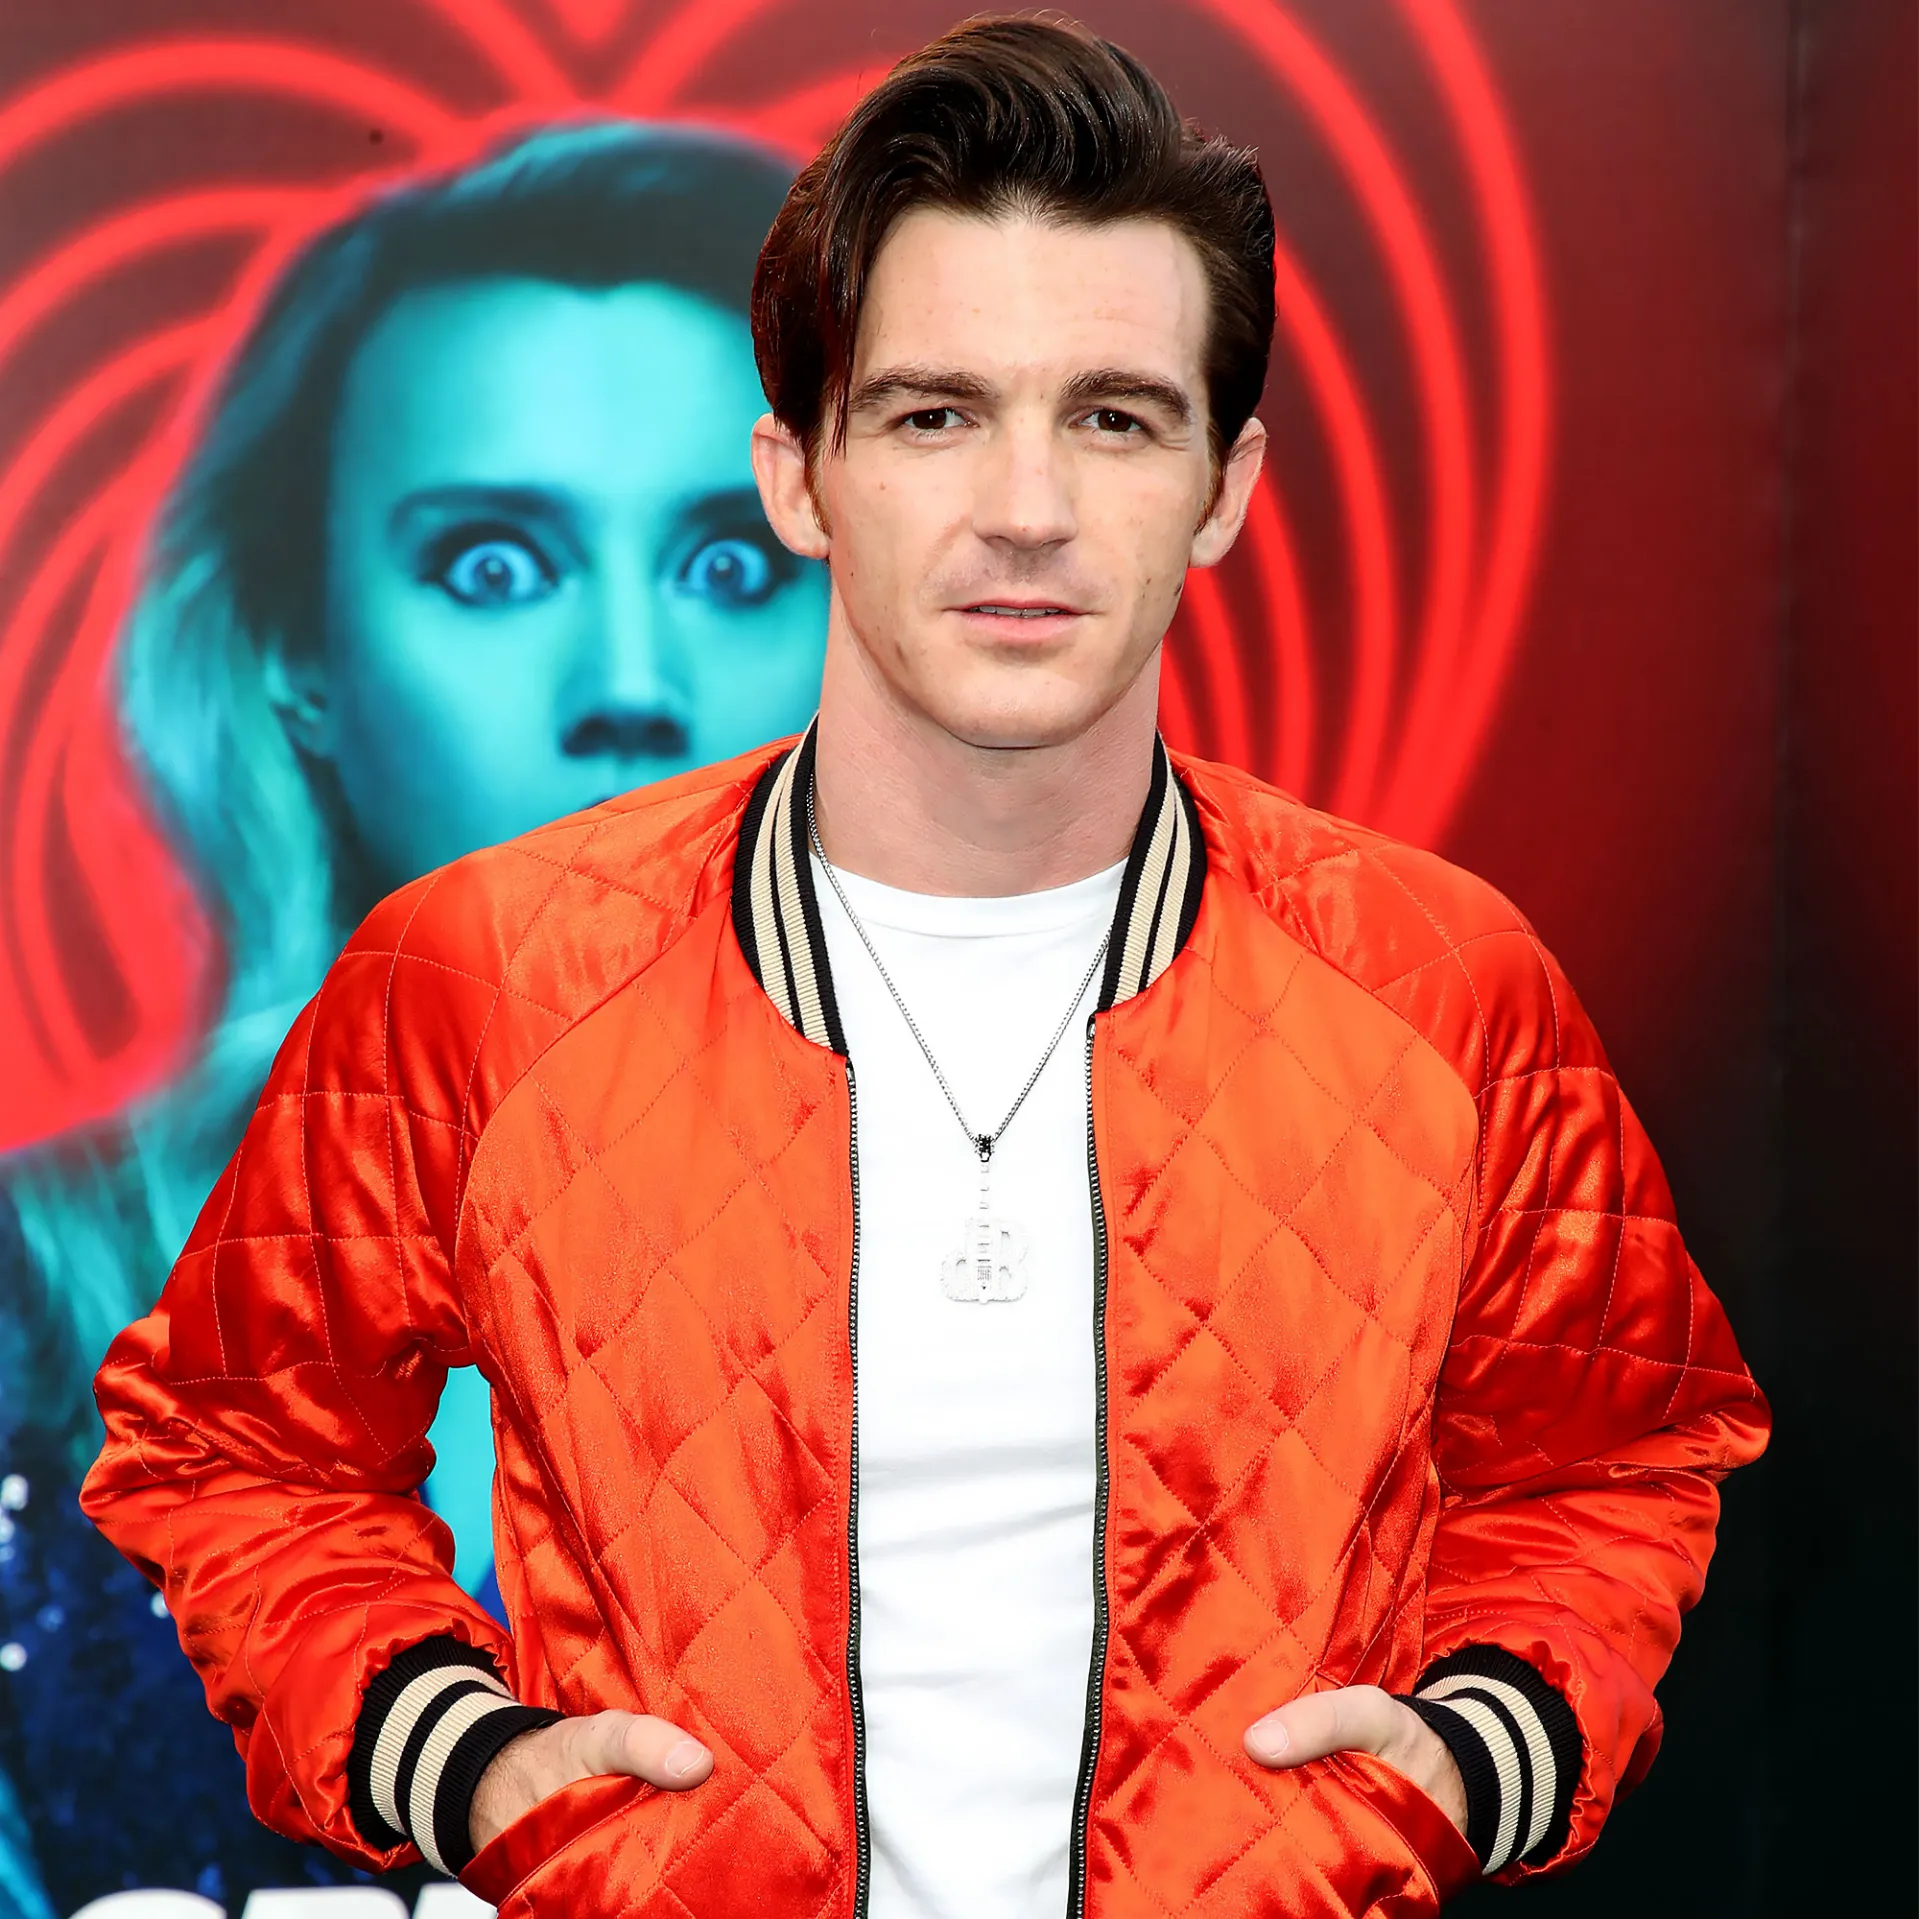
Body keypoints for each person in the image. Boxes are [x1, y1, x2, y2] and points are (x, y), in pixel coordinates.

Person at [80, 18, 1769, 1917]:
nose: (1025, 509)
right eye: (933, 415)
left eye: (1114, 417)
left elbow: (1614, 1460)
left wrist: (1484, 1748)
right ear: (800, 477)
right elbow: (234, 1450)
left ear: (1223, 484)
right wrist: (446, 1755)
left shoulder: (1443, 983)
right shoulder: (474, 974)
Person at [0, 120, 824, 1915]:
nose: (629, 689)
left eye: (731, 564)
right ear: (296, 653)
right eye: (493, 566)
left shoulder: (1152, 1281)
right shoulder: (29, 1302)